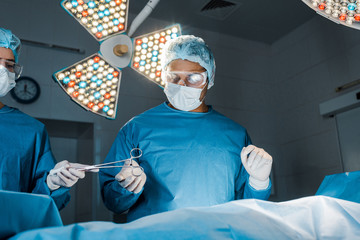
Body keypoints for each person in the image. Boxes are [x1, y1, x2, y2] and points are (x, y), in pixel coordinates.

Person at [99, 35, 273, 221]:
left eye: (194, 77)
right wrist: (125, 187)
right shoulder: (136, 129)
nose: (182, 85)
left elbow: (247, 209)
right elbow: (113, 203)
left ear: (210, 77)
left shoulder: (236, 134)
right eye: (174, 77)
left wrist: (259, 182)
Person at [0, 27, 89, 210]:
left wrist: (52, 184)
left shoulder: (30, 130)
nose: (2, 69)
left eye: (9, 65)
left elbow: (43, 205)